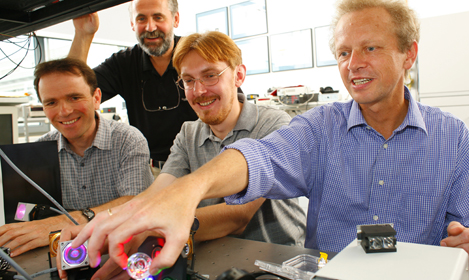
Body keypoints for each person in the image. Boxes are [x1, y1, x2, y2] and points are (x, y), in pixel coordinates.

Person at [69, 0, 469, 279]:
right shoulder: (321, 128)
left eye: (370, 48)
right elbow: (258, 158)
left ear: (408, 53)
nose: (353, 64)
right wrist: (187, 193)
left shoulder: (451, 140)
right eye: (342, 52)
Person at [57, 31, 305, 280]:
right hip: (216, 260)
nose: (199, 91)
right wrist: (102, 224)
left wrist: (151, 227)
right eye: (188, 80)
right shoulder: (189, 133)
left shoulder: (273, 124)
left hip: (277, 264)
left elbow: (238, 215)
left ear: (238, 75)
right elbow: (156, 194)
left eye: (210, 76)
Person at [0, 58, 153, 257]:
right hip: (65, 253)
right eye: (51, 102)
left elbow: (135, 203)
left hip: (121, 251)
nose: (64, 111)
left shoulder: (128, 140)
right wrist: (24, 217)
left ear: (96, 98)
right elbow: (23, 214)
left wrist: (65, 221)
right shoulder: (38, 151)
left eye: (74, 97)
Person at [68, 0, 198, 177]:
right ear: (132, 24)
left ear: (175, 19)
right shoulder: (124, 63)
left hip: (199, 165)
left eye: (158, 17)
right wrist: (83, 34)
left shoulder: (196, 54)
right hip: (152, 171)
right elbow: (72, 90)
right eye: (141, 19)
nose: (150, 27)